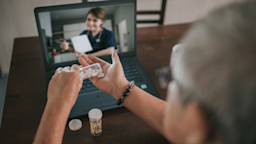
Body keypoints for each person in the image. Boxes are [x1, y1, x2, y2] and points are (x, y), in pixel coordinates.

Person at [33, 1, 256, 144]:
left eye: (170, 76)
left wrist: (57, 105)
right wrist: (119, 87)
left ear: (196, 122)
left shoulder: (108, 34)